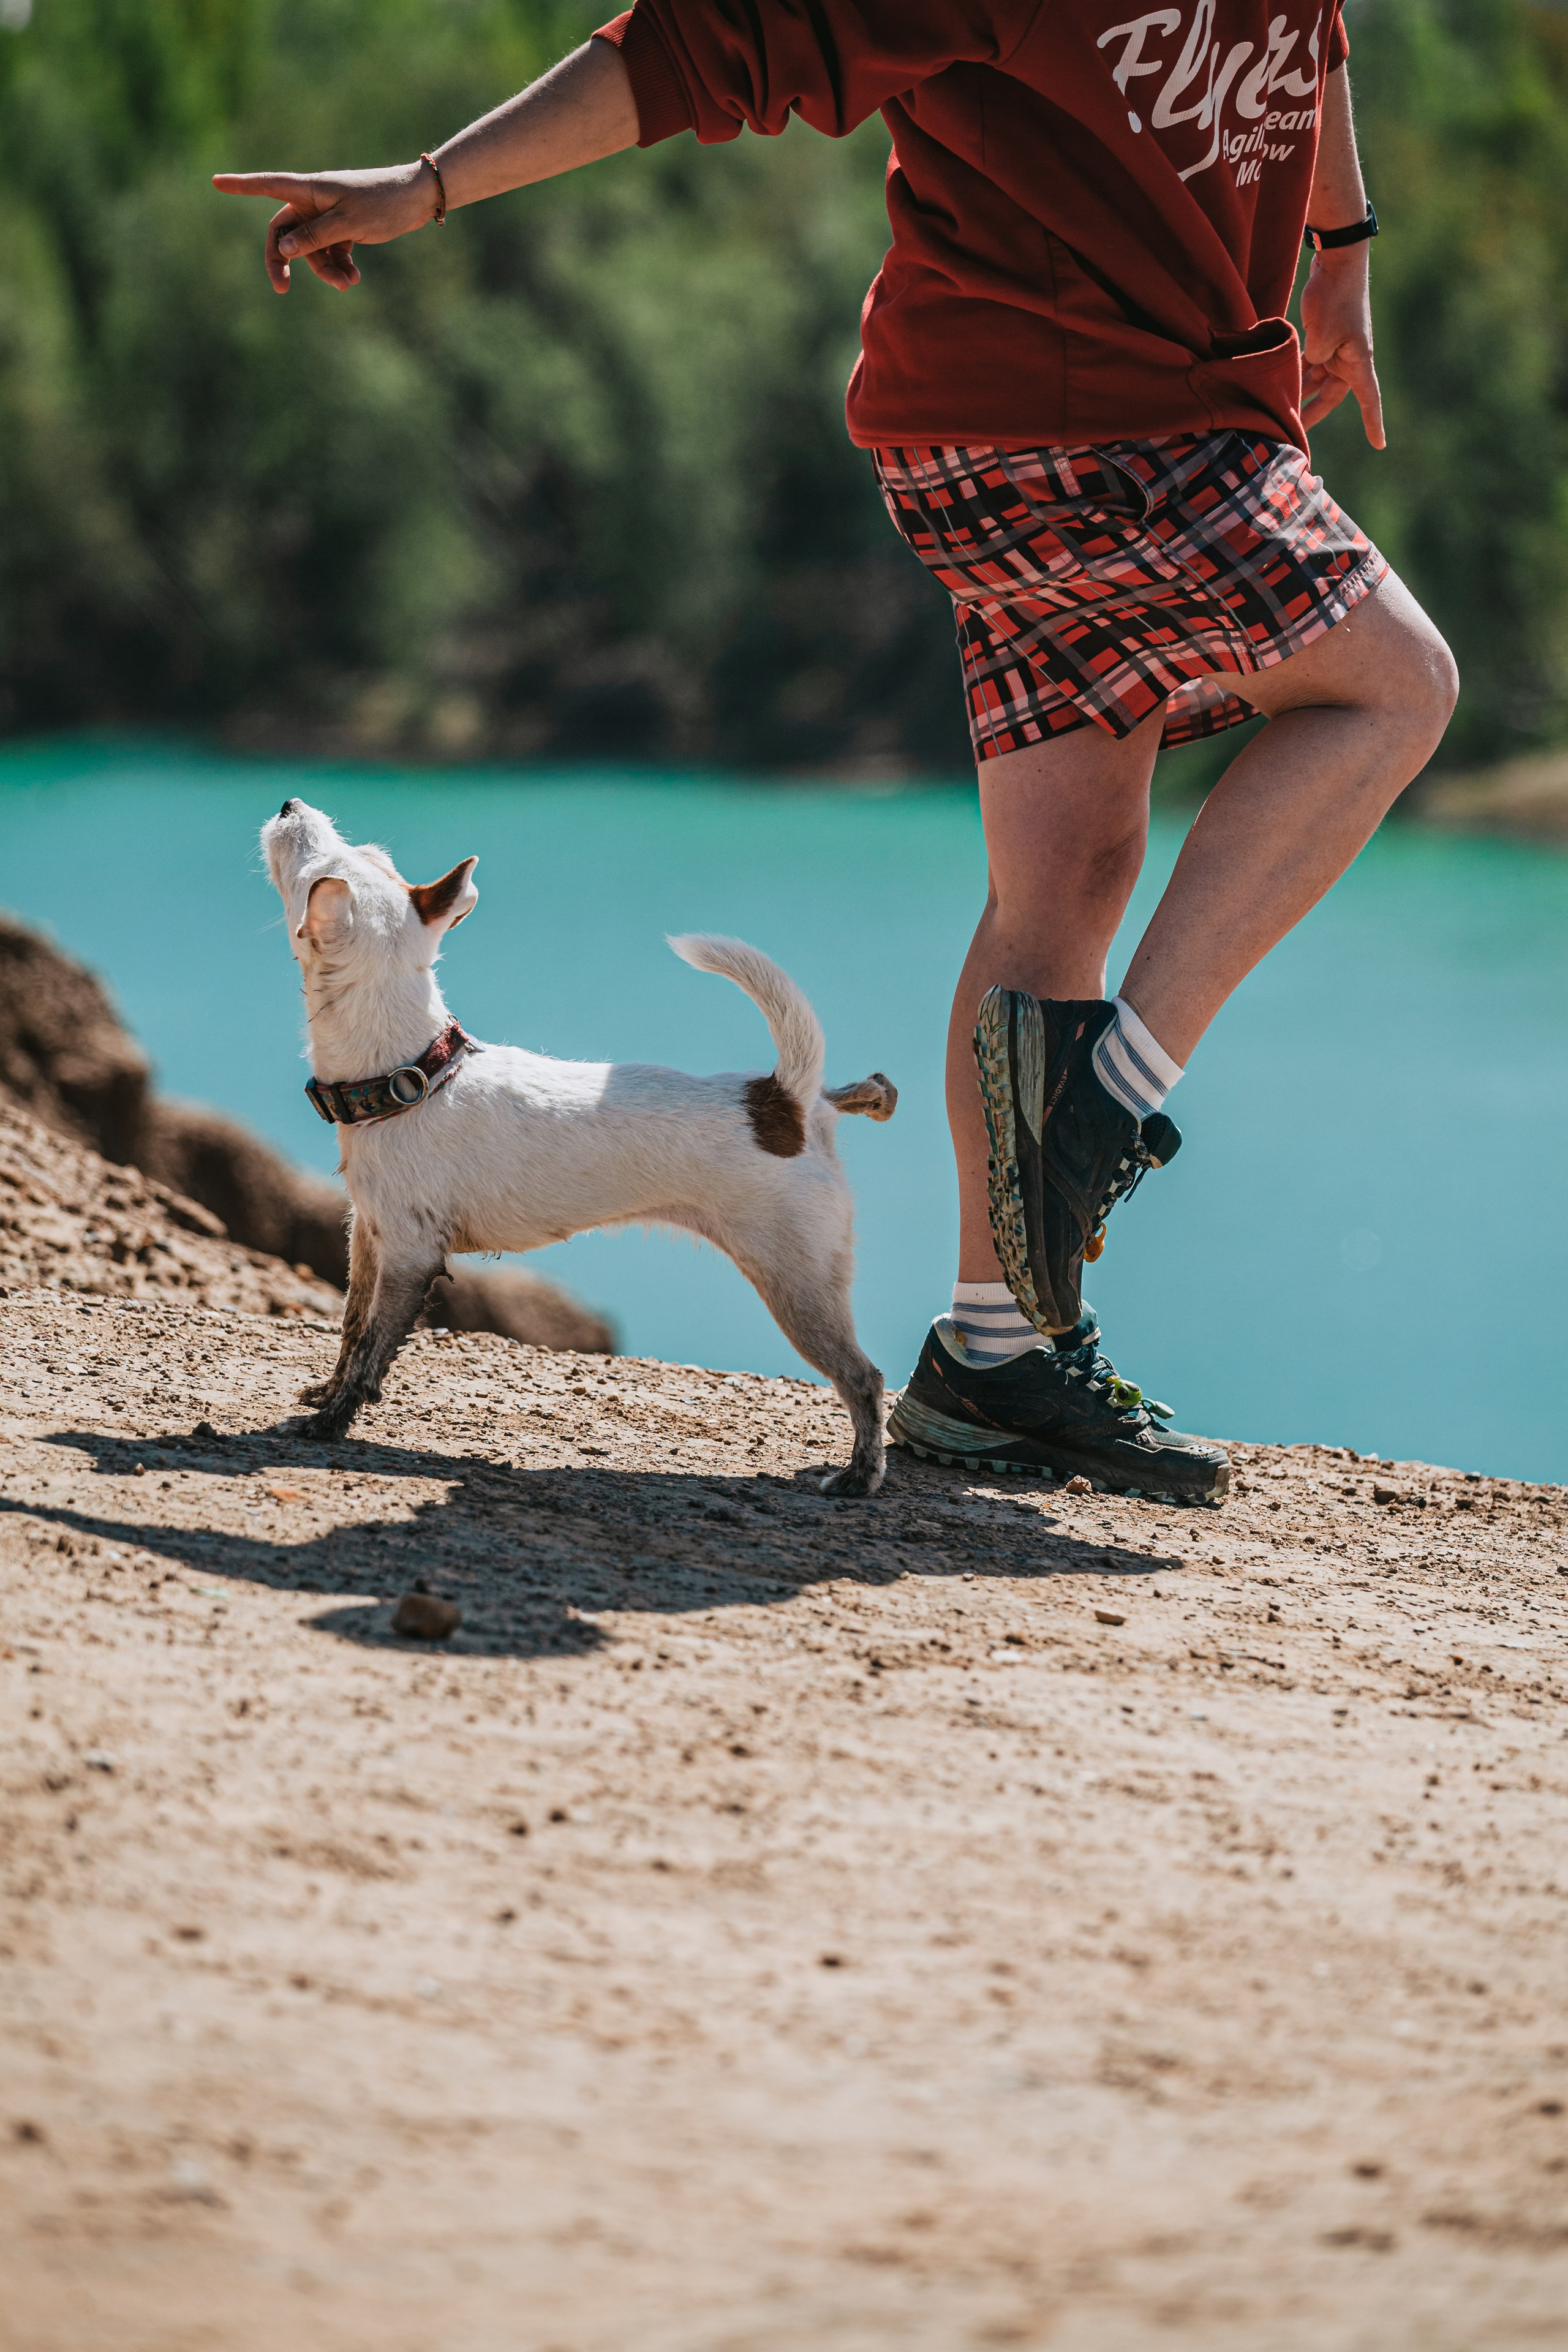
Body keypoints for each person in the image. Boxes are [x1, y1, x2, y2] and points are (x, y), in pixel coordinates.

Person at [216, 0, 1457, 1504]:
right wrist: (423, 187)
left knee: (1064, 878)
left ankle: (995, 1353)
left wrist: (1340, 257)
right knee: (1391, 688)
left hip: (1094, 416)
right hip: (1082, 415)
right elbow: (690, 50)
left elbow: (1304, 52)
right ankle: (1106, 1094)